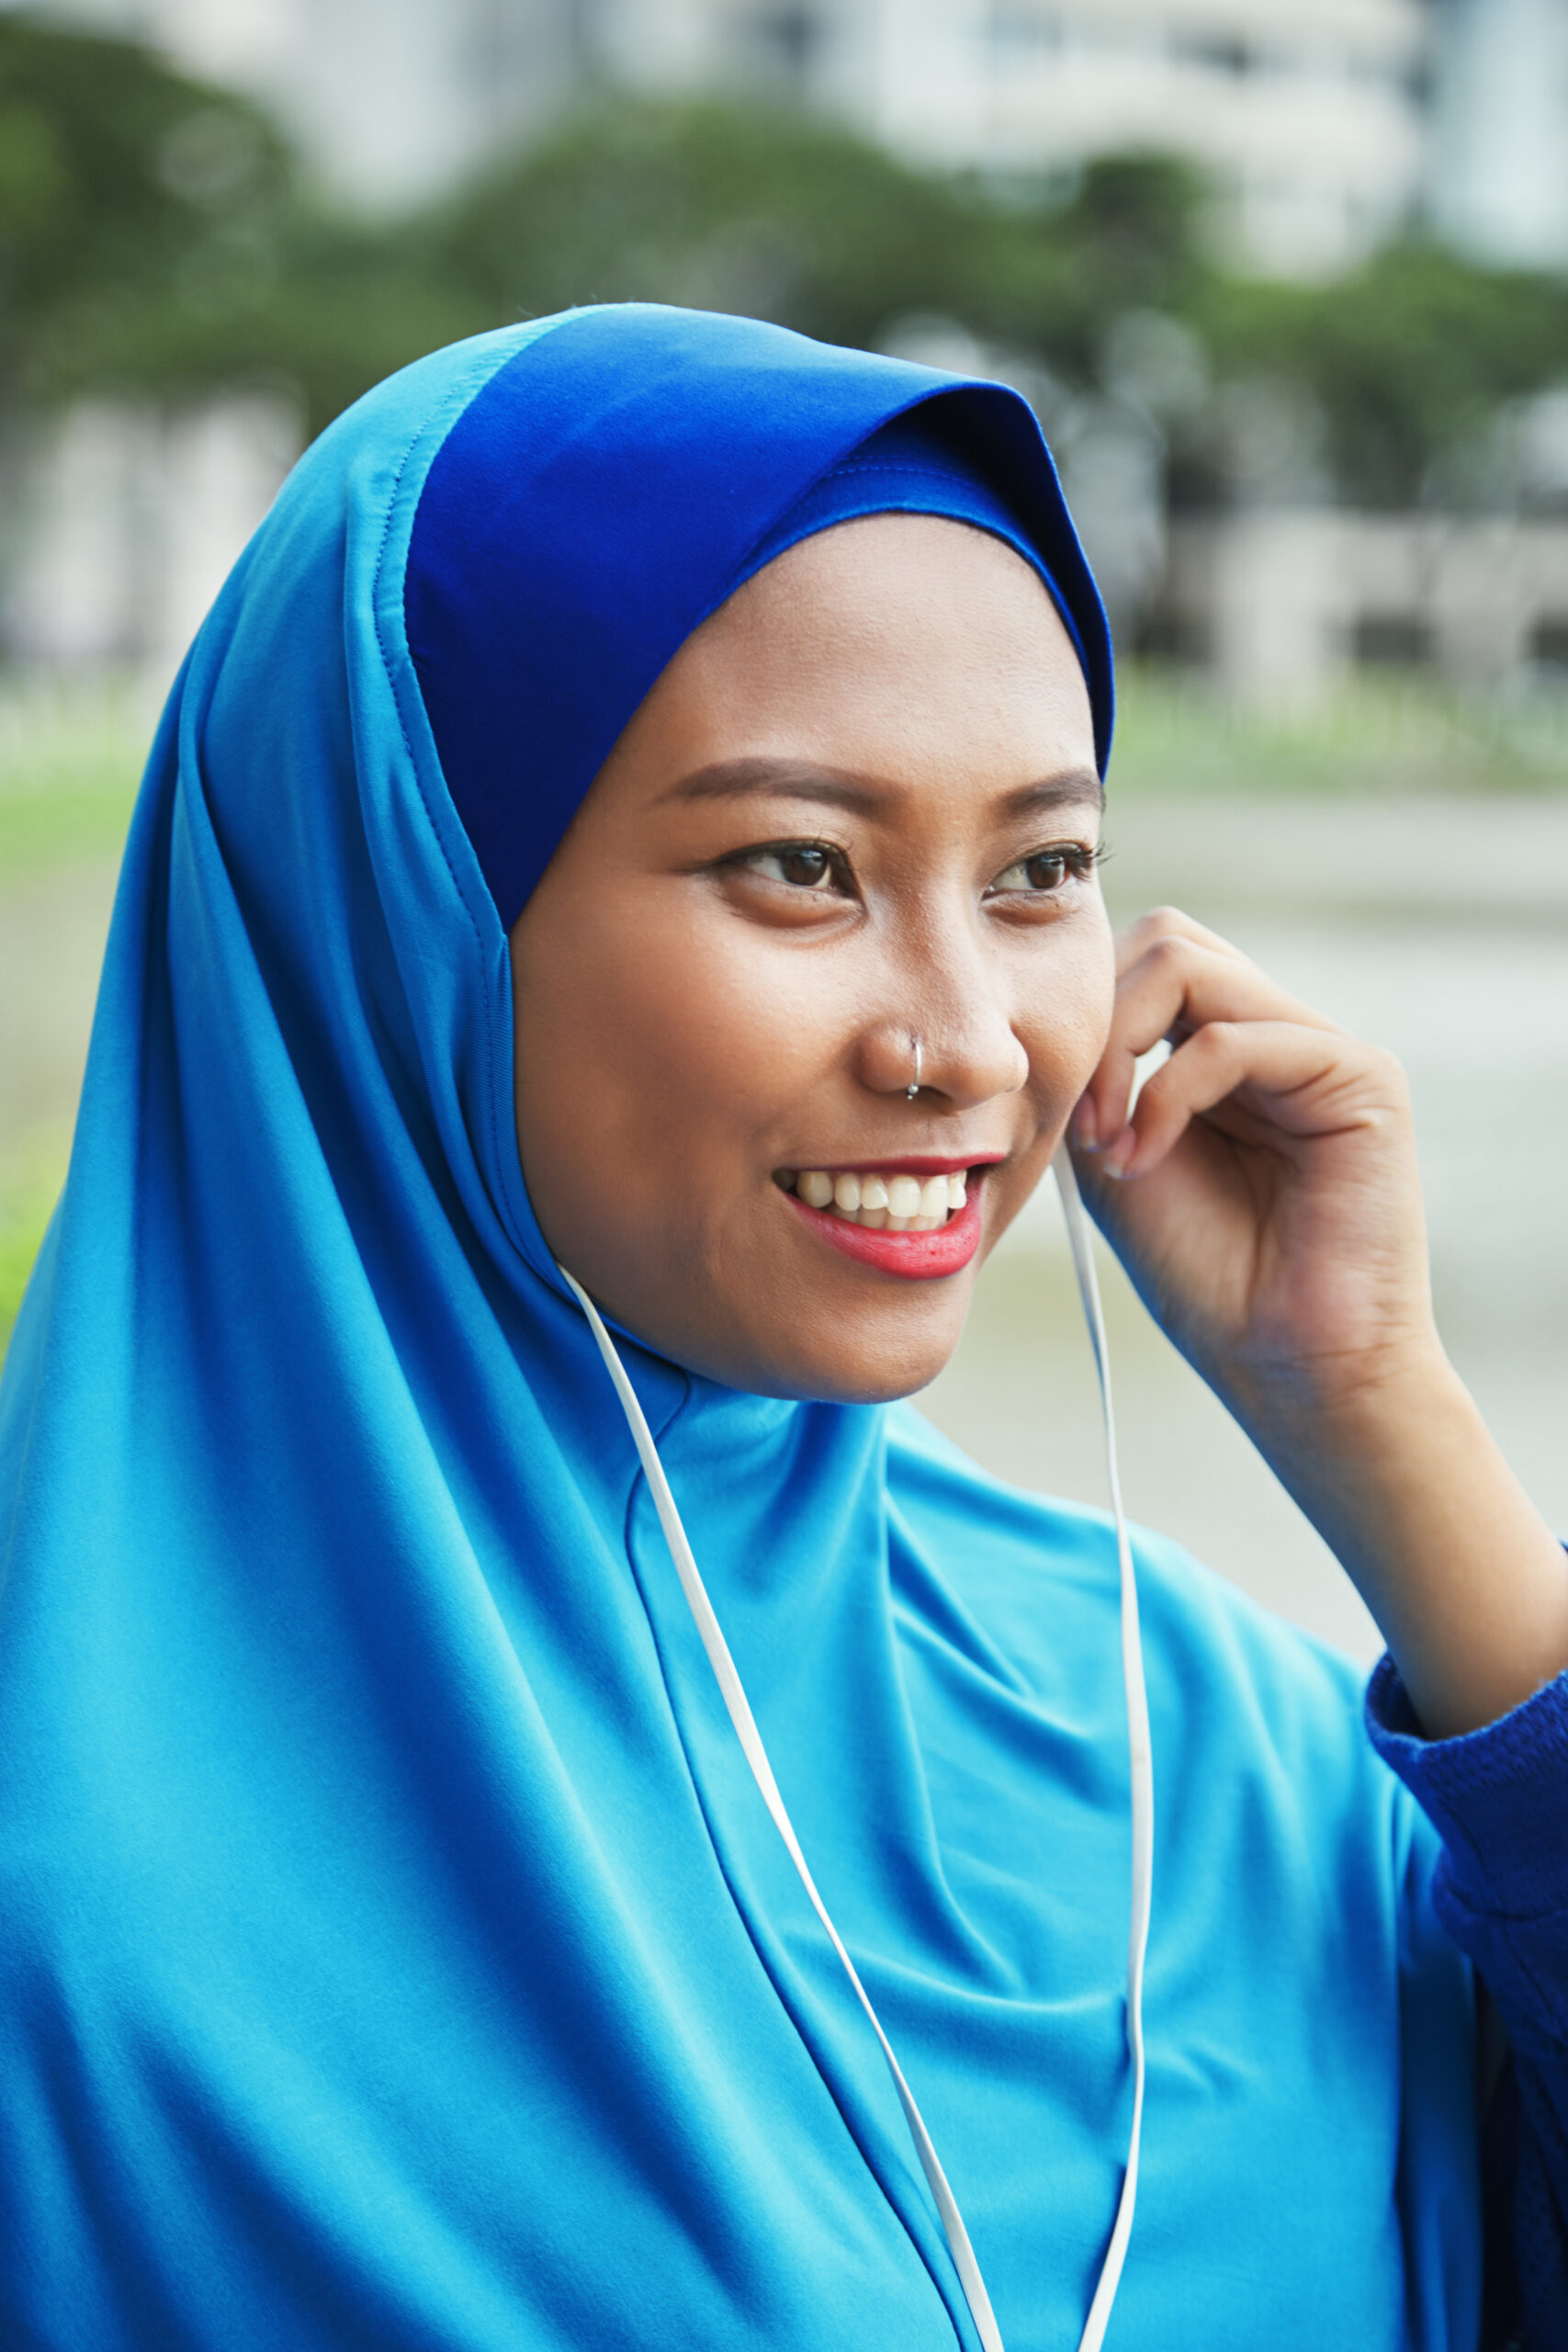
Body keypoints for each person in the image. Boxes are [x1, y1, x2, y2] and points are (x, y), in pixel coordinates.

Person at [0, 303, 1563, 2352]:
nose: (967, 1041)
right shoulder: (66, 1900)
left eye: (1041, 870)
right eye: (802, 866)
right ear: (409, 899)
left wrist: (1377, 1413)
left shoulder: (1200, 1738)